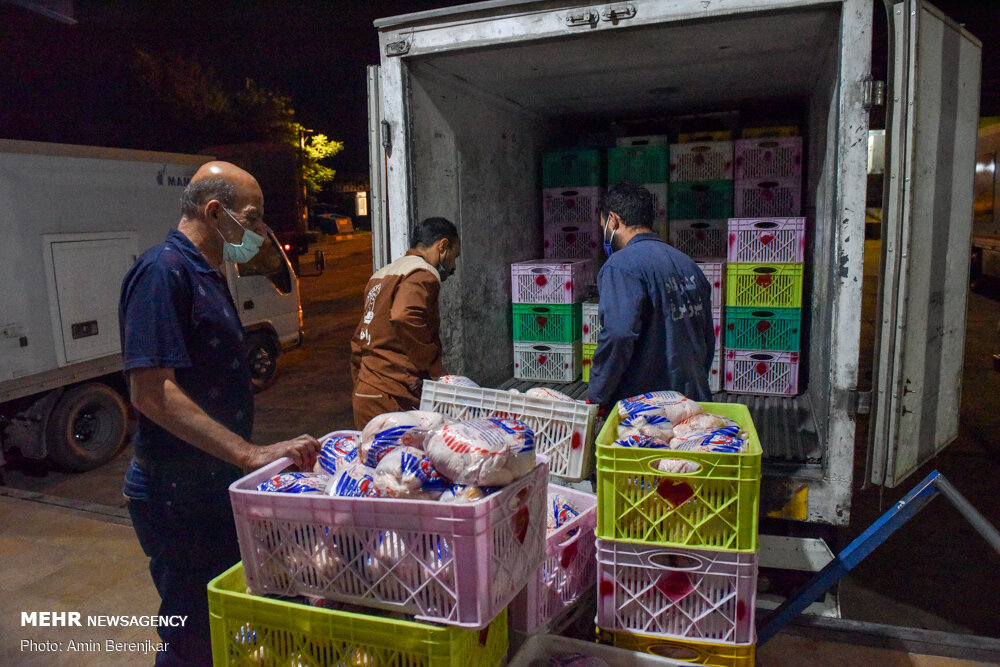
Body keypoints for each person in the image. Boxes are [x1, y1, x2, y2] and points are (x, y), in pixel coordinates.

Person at [119, 161, 321, 666]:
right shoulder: (163, 272)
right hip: (173, 493)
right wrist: (248, 453)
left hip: (207, 486)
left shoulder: (205, 271)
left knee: (222, 618)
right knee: (190, 630)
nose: (258, 232)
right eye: (251, 219)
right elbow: (151, 391)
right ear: (215, 211)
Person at [587, 181, 715, 408]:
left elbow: (619, 334)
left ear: (613, 220)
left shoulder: (621, 266)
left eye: (603, 226)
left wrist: (597, 395)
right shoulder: (687, 264)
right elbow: (707, 338)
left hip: (646, 410)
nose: (605, 235)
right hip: (692, 403)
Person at [350, 217, 461, 428]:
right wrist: (435, 369)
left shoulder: (380, 276)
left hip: (366, 393)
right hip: (393, 395)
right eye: (454, 257)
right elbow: (405, 315)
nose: (453, 266)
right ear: (443, 246)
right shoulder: (423, 273)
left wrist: (361, 383)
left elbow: (359, 341)